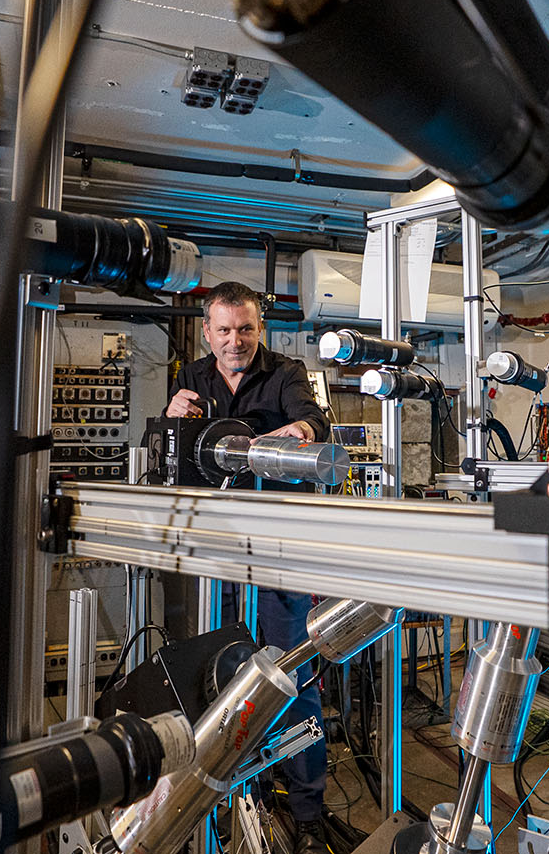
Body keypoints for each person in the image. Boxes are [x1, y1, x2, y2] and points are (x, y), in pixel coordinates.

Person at [165, 282, 330, 854]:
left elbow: (314, 423)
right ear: (207, 333)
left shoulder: (286, 373)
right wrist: (168, 416)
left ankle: (308, 809)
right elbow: (167, 453)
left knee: (292, 674)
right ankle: (242, 793)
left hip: (278, 550)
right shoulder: (191, 377)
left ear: (260, 329)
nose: (236, 341)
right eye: (225, 330)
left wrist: (300, 432)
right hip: (216, 554)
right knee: (222, 675)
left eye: (246, 329)